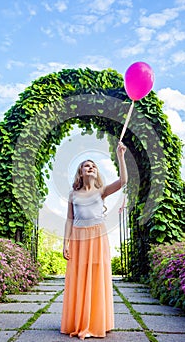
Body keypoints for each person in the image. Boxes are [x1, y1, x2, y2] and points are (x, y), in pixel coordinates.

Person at [60, 141, 127, 340]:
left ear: (96, 172)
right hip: (79, 239)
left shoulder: (101, 191)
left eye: (94, 166)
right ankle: (79, 321)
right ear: (80, 173)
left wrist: (120, 155)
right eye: (86, 165)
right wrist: (65, 243)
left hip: (98, 237)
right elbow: (69, 220)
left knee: (97, 278)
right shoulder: (73, 194)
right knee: (80, 280)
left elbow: (123, 181)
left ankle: (96, 322)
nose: (91, 167)